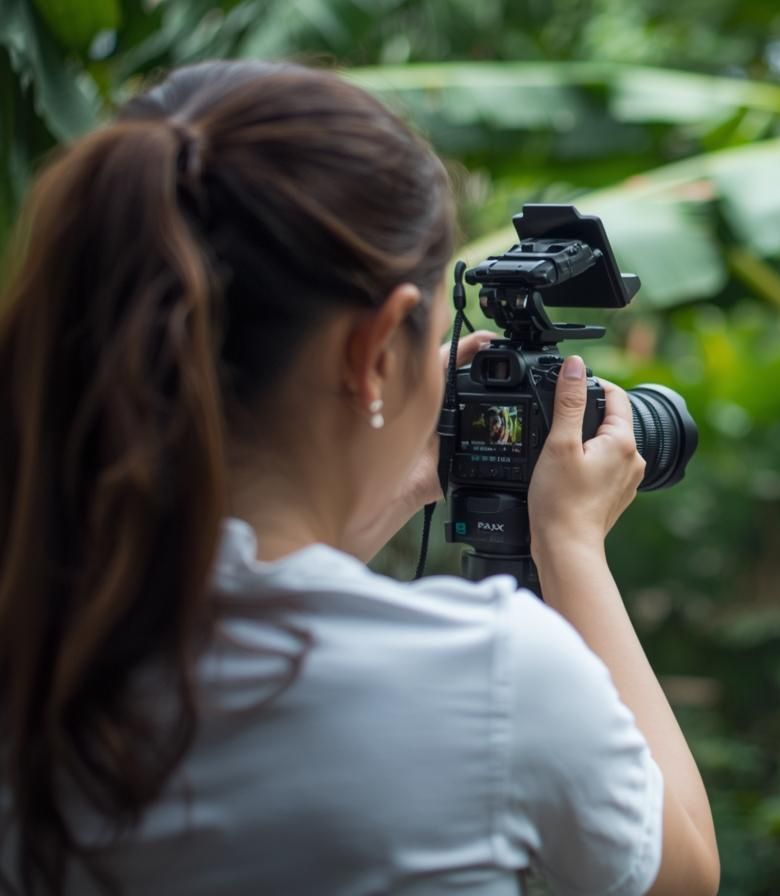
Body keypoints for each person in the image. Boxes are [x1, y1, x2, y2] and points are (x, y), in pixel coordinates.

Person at [0, 61, 718, 896]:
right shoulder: (493, 678)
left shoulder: (44, 640)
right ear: (375, 349)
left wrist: (404, 477)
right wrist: (570, 545)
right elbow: (685, 872)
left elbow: (245, 577)